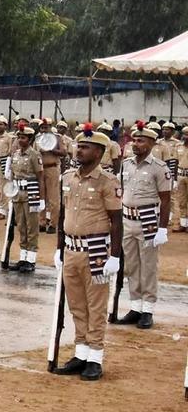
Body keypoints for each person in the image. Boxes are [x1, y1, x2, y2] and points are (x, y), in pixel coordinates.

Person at [52, 123, 122, 381]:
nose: (78, 150)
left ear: (99, 152)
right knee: (77, 305)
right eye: (78, 146)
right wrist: (59, 248)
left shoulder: (107, 181)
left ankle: (95, 357)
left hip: (96, 251)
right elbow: (62, 215)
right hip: (71, 248)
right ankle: (80, 352)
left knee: (96, 306)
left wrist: (114, 256)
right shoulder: (68, 178)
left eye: (85, 147)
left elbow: (116, 221)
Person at [115, 122, 172, 329]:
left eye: (141, 141)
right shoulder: (126, 164)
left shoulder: (159, 168)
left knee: (148, 267)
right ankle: (135, 306)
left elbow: (166, 200)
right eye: (134, 140)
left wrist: (163, 228)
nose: (135, 144)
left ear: (151, 144)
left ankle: (148, 309)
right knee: (131, 265)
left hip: (148, 220)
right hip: (127, 220)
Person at [5, 125, 44, 273]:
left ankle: (31, 260)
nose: (20, 140)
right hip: (17, 193)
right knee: (21, 226)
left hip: (31, 193)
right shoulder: (15, 154)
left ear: (30, 139)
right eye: (19, 137)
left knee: (31, 227)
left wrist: (41, 198)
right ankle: (23, 257)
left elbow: (40, 177)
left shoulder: (34, 155)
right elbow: (12, 175)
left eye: (23, 138)